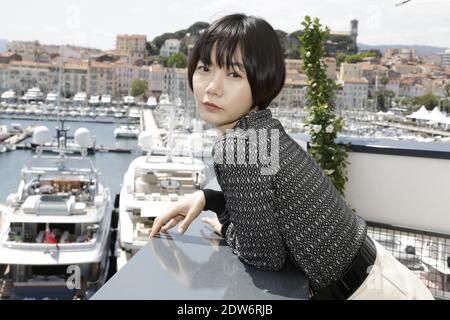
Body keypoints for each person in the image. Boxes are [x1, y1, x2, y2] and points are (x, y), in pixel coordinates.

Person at [149, 13, 434, 300]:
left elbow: (263, 257)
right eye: (205, 68)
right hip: (382, 276)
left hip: (372, 292)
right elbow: (264, 210)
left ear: (263, 81)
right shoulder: (265, 129)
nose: (212, 87)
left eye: (234, 74)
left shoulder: (238, 146)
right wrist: (208, 199)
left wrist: (223, 228)